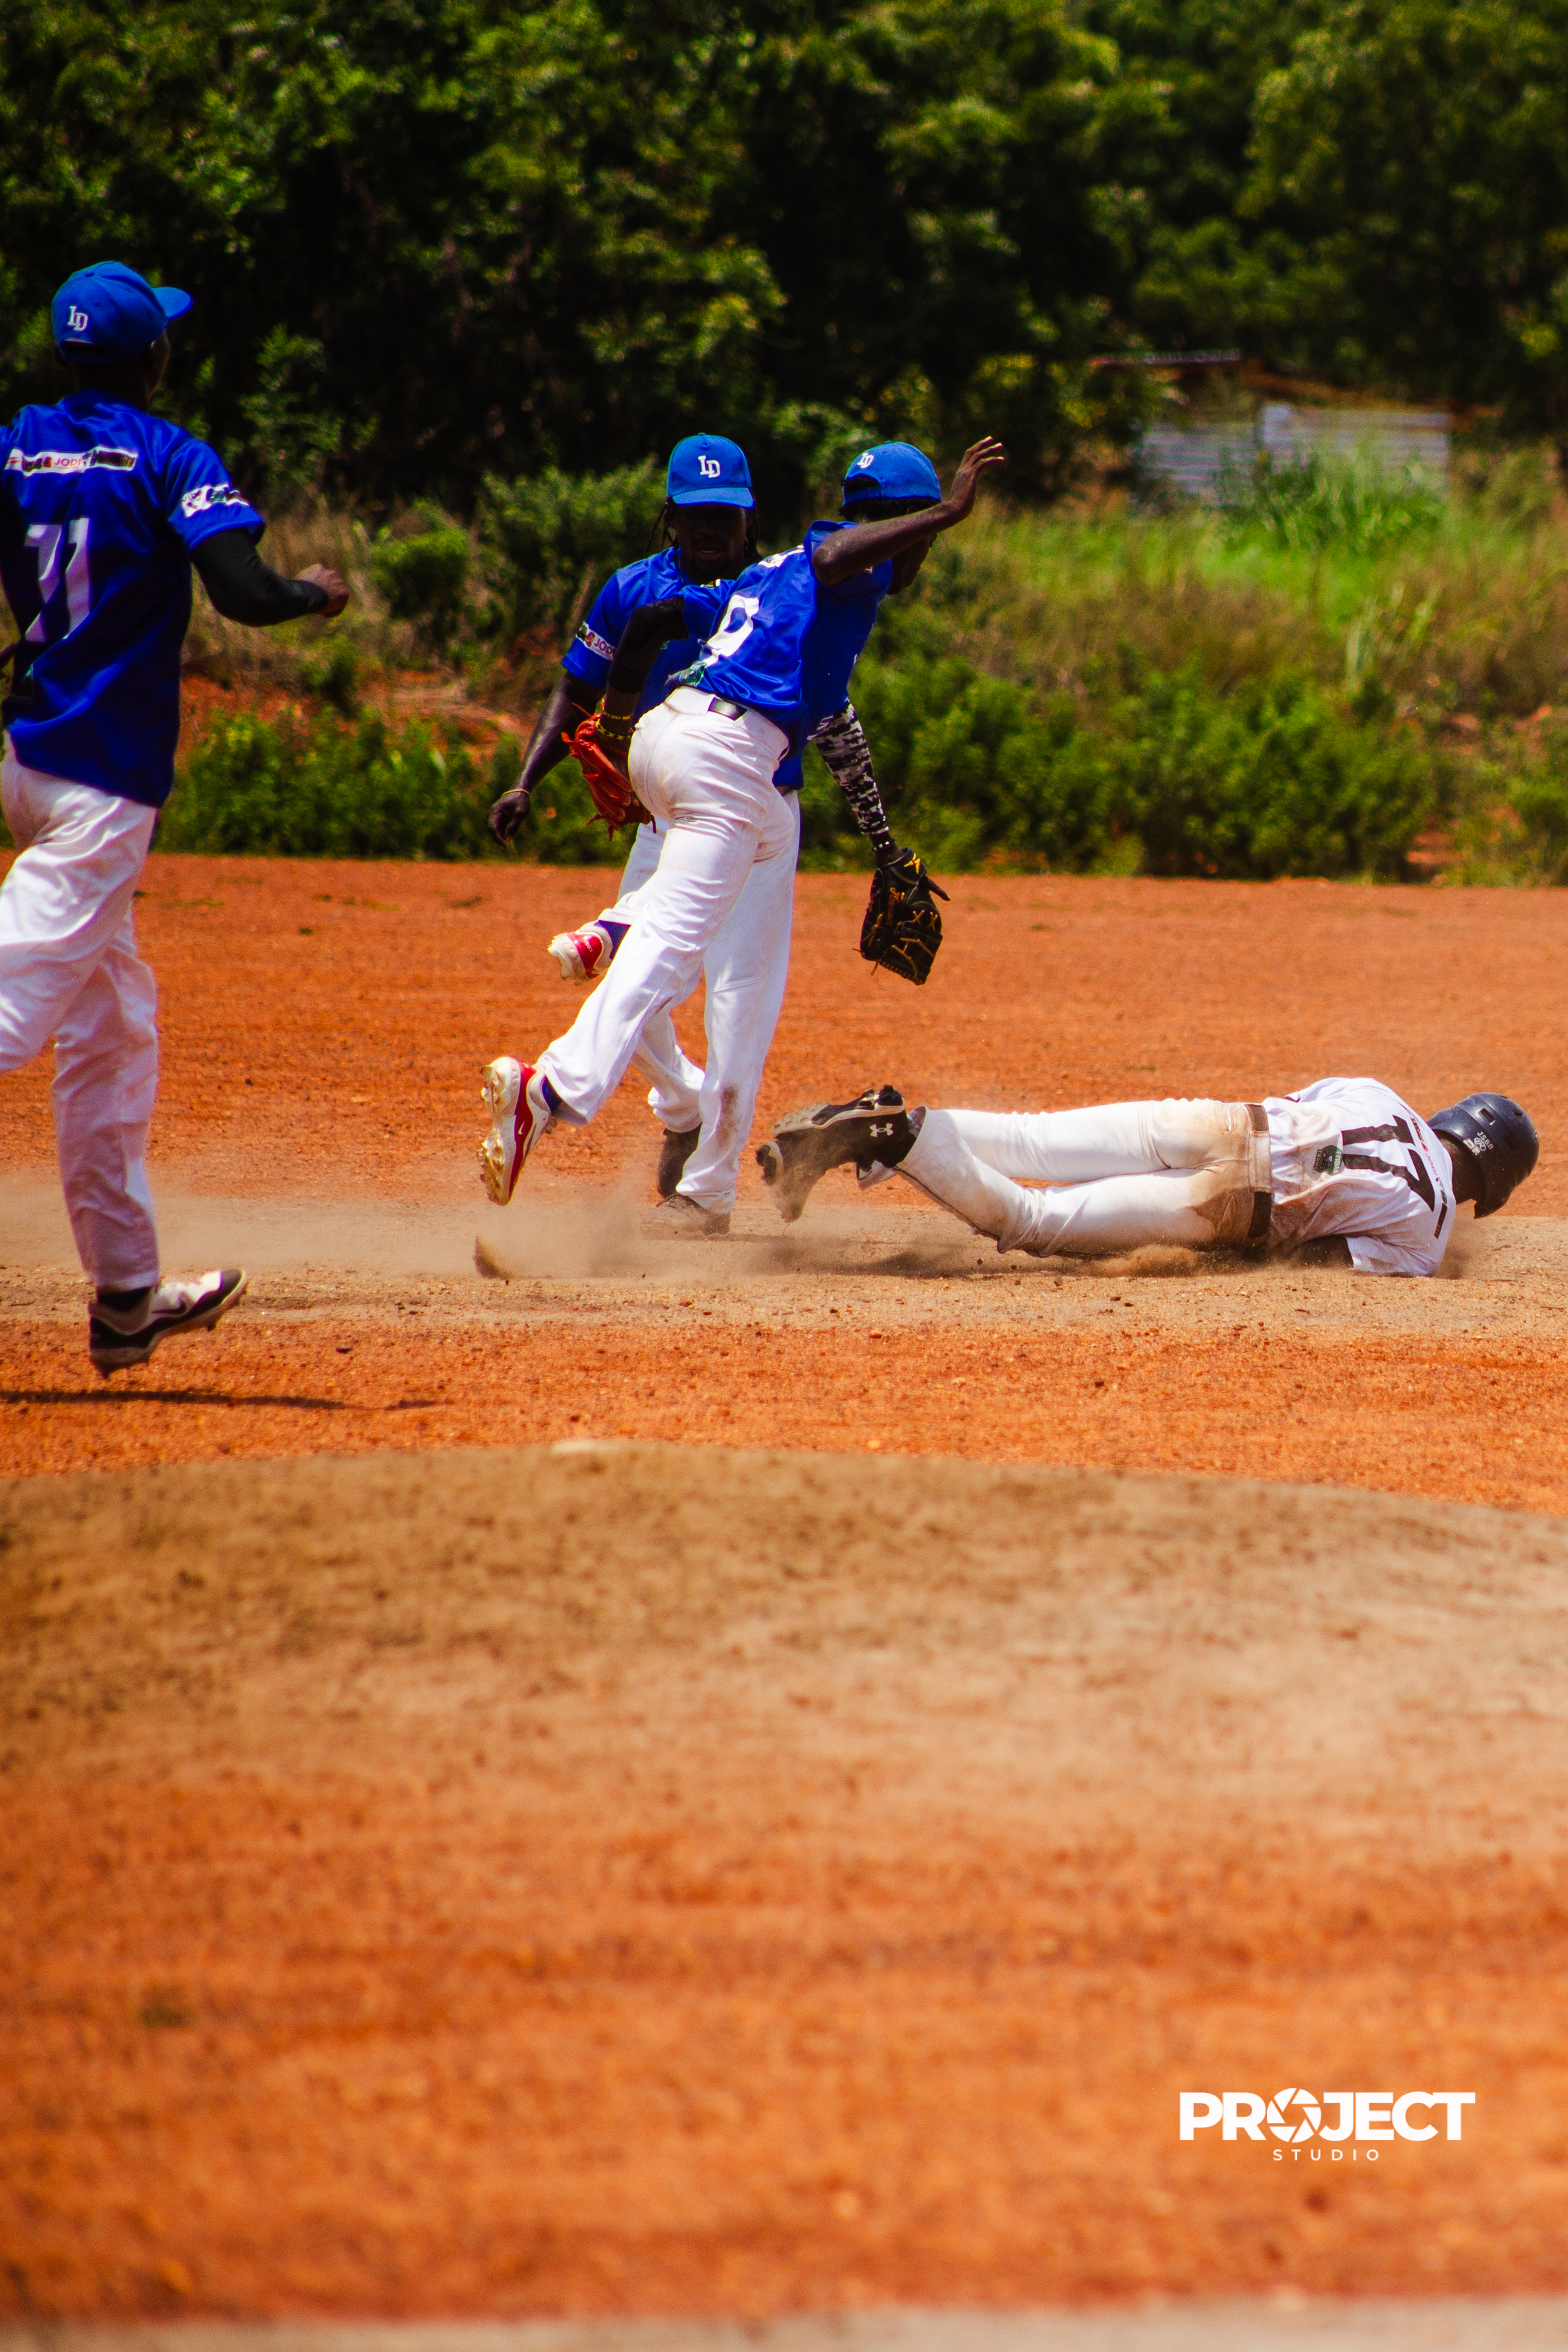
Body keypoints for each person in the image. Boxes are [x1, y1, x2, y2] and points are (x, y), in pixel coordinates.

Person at [477, 435, 1005, 1228]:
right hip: (724, 756)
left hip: (689, 744)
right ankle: (548, 1089)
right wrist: (950, 509)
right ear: (909, 530)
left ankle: (620, 934)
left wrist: (883, 840)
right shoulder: (833, 562)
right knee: (674, 947)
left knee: (742, 886)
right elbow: (831, 562)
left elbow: (692, 638)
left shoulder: (772, 576)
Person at [0, 260, 349, 1373]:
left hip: (23, 761)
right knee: (11, 1009)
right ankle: (126, 1296)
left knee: (111, 1033)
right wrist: (311, 591)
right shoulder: (167, 455)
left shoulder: (13, 442)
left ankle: (127, 1297)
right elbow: (243, 590)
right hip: (101, 786)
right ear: (153, 356)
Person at [754, 1079, 1538, 1276]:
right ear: (1487, 1186)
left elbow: (1300, 1104)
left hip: (1216, 1121)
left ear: (1450, 1118)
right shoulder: (1429, 1234)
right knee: (1034, 1221)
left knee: (1030, 1142)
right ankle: (890, 1137)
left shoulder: (1381, 1095)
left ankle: (885, 1123)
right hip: (1231, 1205)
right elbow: (1318, 1263)